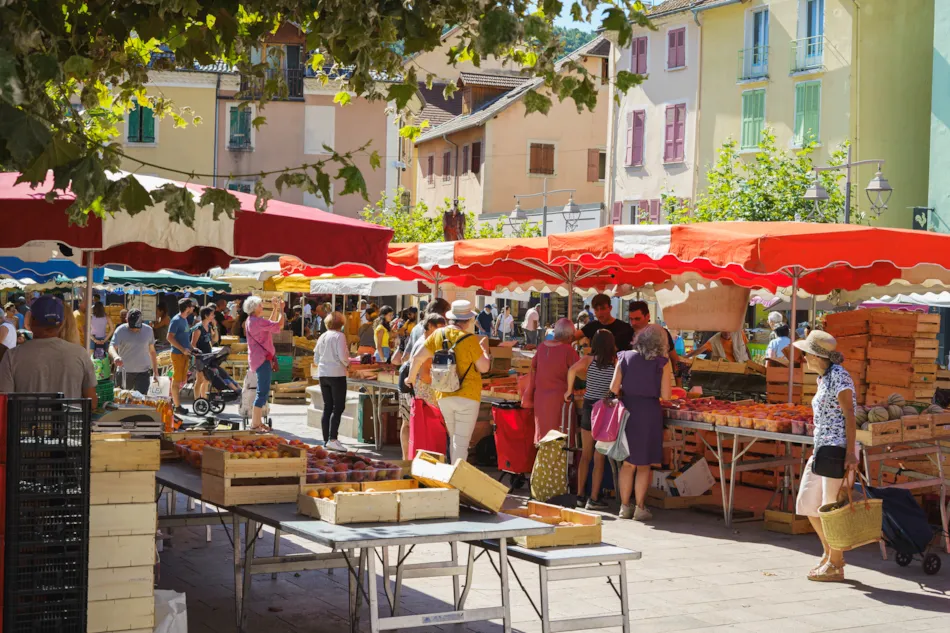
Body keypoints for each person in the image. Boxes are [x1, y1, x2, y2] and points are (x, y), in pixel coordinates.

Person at [793, 331, 858, 583]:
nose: (804, 358)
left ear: (817, 356)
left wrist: (851, 453)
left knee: (830, 507)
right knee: (808, 503)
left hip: (837, 450)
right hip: (821, 448)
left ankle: (836, 562)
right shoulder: (824, 378)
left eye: (806, 354)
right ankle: (829, 553)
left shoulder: (840, 377)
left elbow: (850, 414)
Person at [406, 300, 491, 463]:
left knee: (453, 438)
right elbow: (484, 367)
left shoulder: (438, 334)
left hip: (443, 393)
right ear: (468, 320)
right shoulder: (470, 340)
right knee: (461, 443)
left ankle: (453, 477)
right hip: (468, 395)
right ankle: (457, 481)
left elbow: (417, 358)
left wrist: (410, 377)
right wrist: (485, 352)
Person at [609, 324, 673, 521]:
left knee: (627, 463)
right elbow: (666, 395)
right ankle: (640, 507)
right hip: (649, 412)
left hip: (627, 410)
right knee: (644, 464)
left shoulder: (624, 357)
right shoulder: (663, 362)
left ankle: (624, 506)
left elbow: (613, 387)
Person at [0, 296, 97, 404]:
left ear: (31, 321)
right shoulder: (80, 354)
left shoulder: (12, 356)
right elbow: (92, 402)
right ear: (60, 323)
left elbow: (4, 402)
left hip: (24, 421)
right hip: (70, 420)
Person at [566, 329, 615, 511]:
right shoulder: (614, 363)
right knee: (599, 457)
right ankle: (593, 498)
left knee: (585, 455)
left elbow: (571, 370)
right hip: (604, 409)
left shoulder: (588, 360)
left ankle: (580, 495)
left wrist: (569, 390)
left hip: (588, 407)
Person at [525, 318, 580, 443]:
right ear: (569, 336)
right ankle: (558, 462)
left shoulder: (541, 347)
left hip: (540, 399)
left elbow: (533, 368)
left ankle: (544, 462)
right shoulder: (568, 350)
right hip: (559, 401)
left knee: (543, 437)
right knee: (559, 438)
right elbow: (581, 373)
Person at [401, 313, 447, 459]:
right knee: (427, 431)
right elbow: (425, 374)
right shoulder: (427, 344)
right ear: (429, 327)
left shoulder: (427, 341)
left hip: (419, 392)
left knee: (416, 428)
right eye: (439, 328)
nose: (442, 332)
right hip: (425, 394)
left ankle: (410, 460)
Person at [244, 295, 286, 431]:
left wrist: (275, 309)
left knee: (262, 391)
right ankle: (255, 424)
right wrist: (281, 310)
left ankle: (258, 422)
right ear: (255, 308)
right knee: (262, 392)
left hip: (257, 358)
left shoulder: (251, 320)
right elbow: (279, 325)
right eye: (260, 305)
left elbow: (269, 324)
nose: (262, 307)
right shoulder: (257, 321)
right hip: (262, 359)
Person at [314, 311, 350, 451]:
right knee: (338, 406)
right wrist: (348, 364)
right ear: (341, 324)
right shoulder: (339, 336)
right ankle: (333, 438)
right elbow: (343, 356)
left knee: (328, 406)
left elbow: (316, 357)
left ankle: (326, 439)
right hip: (337, 373)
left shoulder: (322, 336)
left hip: (323, 373)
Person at [109, 309, 159, 394]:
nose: (135, 330)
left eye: (137, 327)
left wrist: (155, 371)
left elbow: (152, 352)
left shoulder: (148, 330)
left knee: (141, 401)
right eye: (132, 327)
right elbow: (111, 347)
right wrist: (115, 356)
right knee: (122, 401)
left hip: (143, 373)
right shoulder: (120, 330)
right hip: (124, 373)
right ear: (126, 320)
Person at [167, 298, 196, 414]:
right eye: (192, 306)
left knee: (181, 380)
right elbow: (169, 337)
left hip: (184, 354)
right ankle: (177, 406)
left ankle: (175, 403)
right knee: (176, 380)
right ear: (188, 308)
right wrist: (183, 349)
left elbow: (184, 338)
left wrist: (192, 348)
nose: (193, 308)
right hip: (178, 354)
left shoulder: (184, 320)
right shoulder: (176, 320)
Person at [191, 306, 219, 400]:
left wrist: (215, 326)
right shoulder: (198, 328)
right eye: (212, 314)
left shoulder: (209, 326)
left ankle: (204, 399)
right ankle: (197, 400)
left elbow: (215, 339)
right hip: (200, 357)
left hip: (208, 356)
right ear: (206, 316)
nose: (213, 316)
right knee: (199, 380)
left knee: (206, 380)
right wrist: (196, 356)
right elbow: (193, 345)